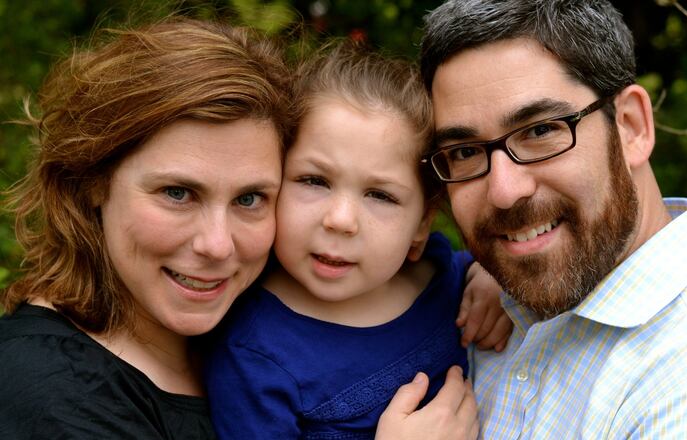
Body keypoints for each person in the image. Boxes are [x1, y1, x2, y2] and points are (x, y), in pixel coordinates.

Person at [0, 18, 478, 440]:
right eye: (177, 193)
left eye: (250, 199)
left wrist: (493, 279)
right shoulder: (43, 389)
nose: (216, 244)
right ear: (93, 182)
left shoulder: (244, 319)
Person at [419, 0, 687, 437]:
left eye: (540, 130)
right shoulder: (476, 302)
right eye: (464, 152)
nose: (504, 191)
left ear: (631, 126)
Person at [203, 42, 510, 440]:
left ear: (420, 225)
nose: (341, 220)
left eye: (380, 195)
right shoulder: (252, 355)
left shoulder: (436, 273)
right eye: (314, 181)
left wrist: (491, 276)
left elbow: (471, 266)